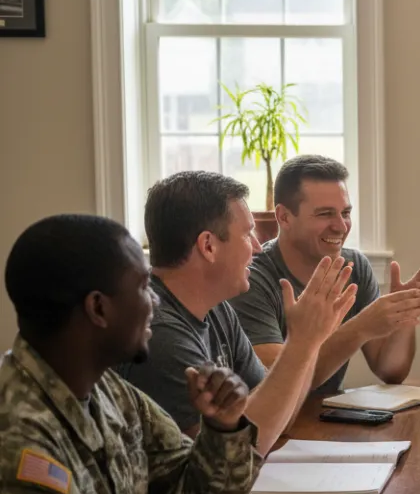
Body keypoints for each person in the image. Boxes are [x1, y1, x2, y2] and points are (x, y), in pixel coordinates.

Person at [0, 215, 361, 494]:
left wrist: (224, 429)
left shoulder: (111, 395)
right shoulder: (19, 438)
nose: (154, 302)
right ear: (98, 309)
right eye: (140, 288)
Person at [120, 171, 357, 451]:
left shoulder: (218, 310)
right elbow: (236, 453)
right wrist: (302, 343)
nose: (257, 247)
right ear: (208, 246)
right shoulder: (158, 334)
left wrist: (309, 342)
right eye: (247, 234)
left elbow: (281, 419)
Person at [231, 155, 420, 394]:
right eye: (325, 214)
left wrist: (404, 317)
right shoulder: (252, 279)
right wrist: (360, 328)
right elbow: (279, 388)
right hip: (276, 429)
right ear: (284, 217)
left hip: (327, 420)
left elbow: (390, 371)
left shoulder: (354, 267)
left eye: (345, 213)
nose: (340, 226)